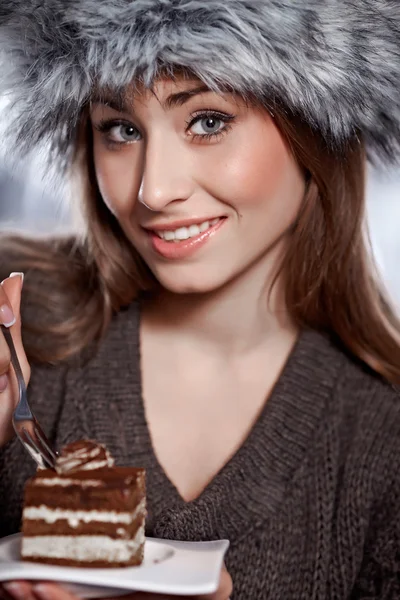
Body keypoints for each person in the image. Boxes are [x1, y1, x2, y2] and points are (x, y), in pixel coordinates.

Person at [0, 0, 399, 598]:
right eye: (122, 130)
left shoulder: (382, 444)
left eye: (207, 121)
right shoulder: (22, 345)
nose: (154, 189)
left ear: (315, 127)